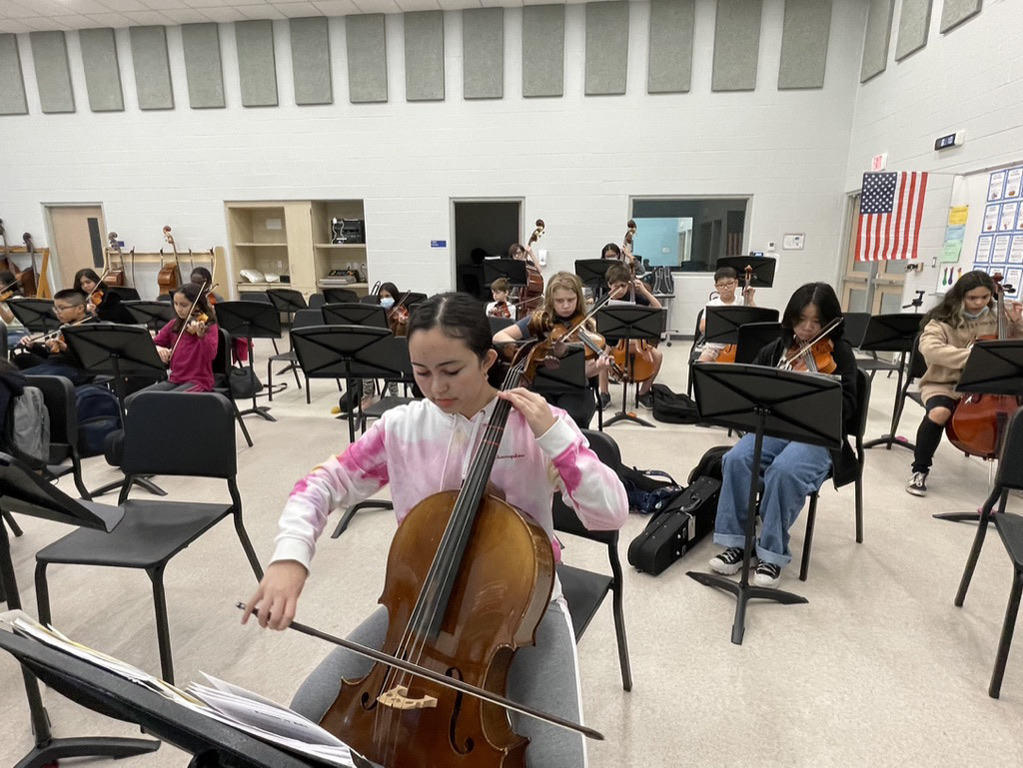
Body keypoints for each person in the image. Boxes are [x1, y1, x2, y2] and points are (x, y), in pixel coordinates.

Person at [243, 292, 627, 768]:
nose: (435, 387)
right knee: (305, 720)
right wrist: (289, 558)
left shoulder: (538, 428)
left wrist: (558, 437)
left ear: (488, 359)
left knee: (558, 762)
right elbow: (320, 484)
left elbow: (610, 514)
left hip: (521, 610)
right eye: (421, 372)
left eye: (451, 371)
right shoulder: (401, 426)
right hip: (417, 606)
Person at [707, 282, 857, 587]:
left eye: (816, 322)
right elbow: (750, 385)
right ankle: (739, 542)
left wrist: (817, 387)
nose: (808, 329)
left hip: (817, 436)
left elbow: (849, 407)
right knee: (736, 458)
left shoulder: (839, 353)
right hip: (776, 427)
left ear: (829, 321)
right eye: (802, 320)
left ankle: (771, 554)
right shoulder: (778, 348)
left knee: (784, 471)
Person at [906, 270, 1023, 496]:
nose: (979, 303)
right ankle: (920, 470)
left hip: (986, 383)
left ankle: (1014, 474)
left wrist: (1017, 324)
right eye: (972, 298)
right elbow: (930, 349)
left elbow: (1014, 346)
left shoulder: (996, 317)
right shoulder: (942, 321)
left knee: (1018, 416)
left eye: (985, 297)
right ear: (960, 296)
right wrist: (973, 357)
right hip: (945, 383)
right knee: (939, 412)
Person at [493, 272, 613, 430]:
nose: (565, 305)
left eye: (571, 300)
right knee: (535, 417)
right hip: (539, 387)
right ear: (551, 300)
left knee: (571, 418)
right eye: (559, 301)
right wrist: (526, 350)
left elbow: (587, 370)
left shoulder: (588, 326)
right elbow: (499, 337)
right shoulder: (539, 321)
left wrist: (598, 367)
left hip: (575, 390)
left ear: (578, 299)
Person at [597, 263, 663, 410]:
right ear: (609, 284)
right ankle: (604, 393)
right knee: (602, 356)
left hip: (637, 338)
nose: (619, 290)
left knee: (658, 356)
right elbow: (597, 322)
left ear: (628, 284)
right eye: (615, 286)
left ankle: (643, 393)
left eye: (623, 285)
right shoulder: (605, 299)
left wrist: (645, 292)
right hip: (613, 340)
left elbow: (658, 309)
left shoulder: (636, 296)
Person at [12, 288, 93, 385]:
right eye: (55, 308)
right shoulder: (61, 326)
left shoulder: (90, 328)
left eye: (62, 308)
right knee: (12, 377)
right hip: (53, 365)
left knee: (19, 381)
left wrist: (65, 349)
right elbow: (50, 356)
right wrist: (33, 346)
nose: (57, 312)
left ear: (80, 308)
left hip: (76, 370)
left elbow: (89, 361)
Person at [152, 282, 219, 392]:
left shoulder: (208, 325)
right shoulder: (174, 325)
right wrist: (160, 349)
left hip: (199, 381)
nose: (178, 309)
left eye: (184, 305)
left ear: (197, 306)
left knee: (167, 402)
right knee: (135, 400)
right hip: (175, 379)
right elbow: (153, 343)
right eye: (176, 304)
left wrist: (201, 336)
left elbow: (210, 355)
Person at [697, 265, 756, 362]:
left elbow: (757, 321)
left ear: (736, 283)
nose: (725, 288)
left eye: (729, 284)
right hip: (715, 346)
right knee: (702, 363)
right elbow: (702, 328)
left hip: (740, 346)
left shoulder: (743, 301)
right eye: (721, 285)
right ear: (716, 287)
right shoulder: (712, 304)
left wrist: (750, 300)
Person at [0, 270, 29, 346]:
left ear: (9, 284)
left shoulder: (17, 299)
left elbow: (8, 319)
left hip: (17, 333)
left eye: (1, 283)